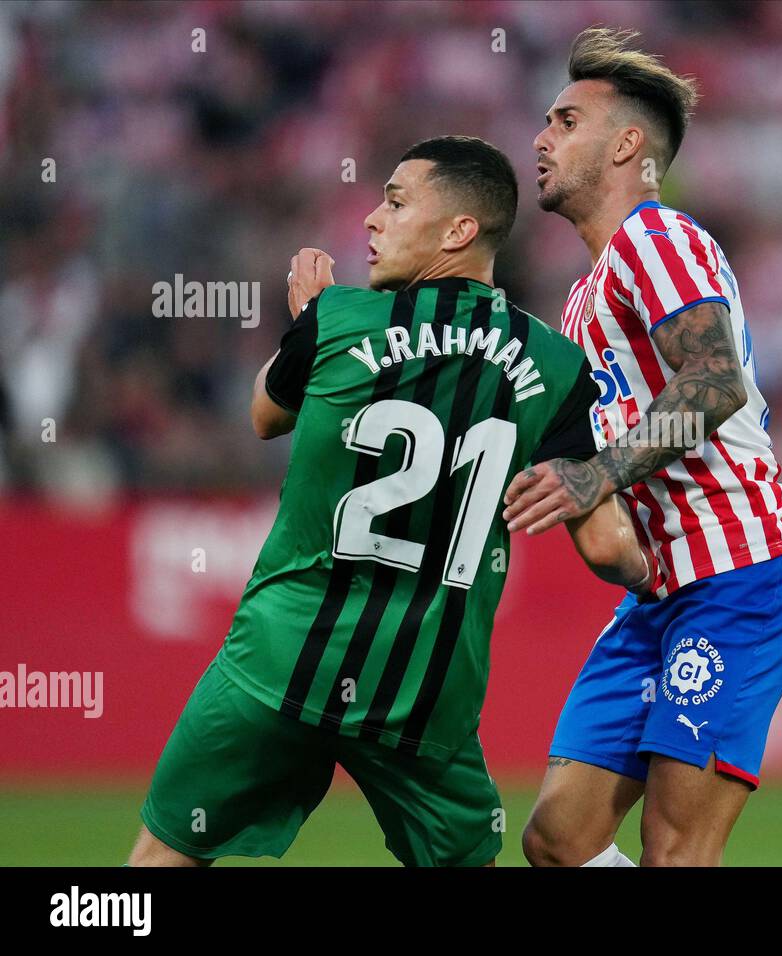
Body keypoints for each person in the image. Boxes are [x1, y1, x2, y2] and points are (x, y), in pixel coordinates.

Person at [128, 135, 650, 867]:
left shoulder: (339, 319)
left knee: (160, 860)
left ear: (458, 231)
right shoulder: (560, 368)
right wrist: (655, 573)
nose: (373, 218)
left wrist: (307, 324)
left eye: (396, 202)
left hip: (277, 668)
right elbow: (604, 547)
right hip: (423, 698)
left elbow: (263, 415)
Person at [509, 28, 782, 868]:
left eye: (565, 121)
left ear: (627, 144)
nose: (541, 139)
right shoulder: (581, 301)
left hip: (737, 574)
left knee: (675, 851)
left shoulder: (658, 238)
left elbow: (715, 383)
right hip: (658, 595)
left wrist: (596, 474)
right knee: (558, 841)